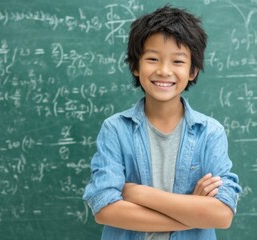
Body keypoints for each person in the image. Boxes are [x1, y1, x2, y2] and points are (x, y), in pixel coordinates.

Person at [83, 5, 241, 240]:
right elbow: (105, 209)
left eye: (178, 61)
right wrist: (194, 211)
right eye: (153, 59)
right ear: (136, 66)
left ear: (193, 70)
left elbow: (223, 215)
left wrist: (138, 194)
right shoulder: (115, 129)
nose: (164, 70)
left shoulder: (210, 132)